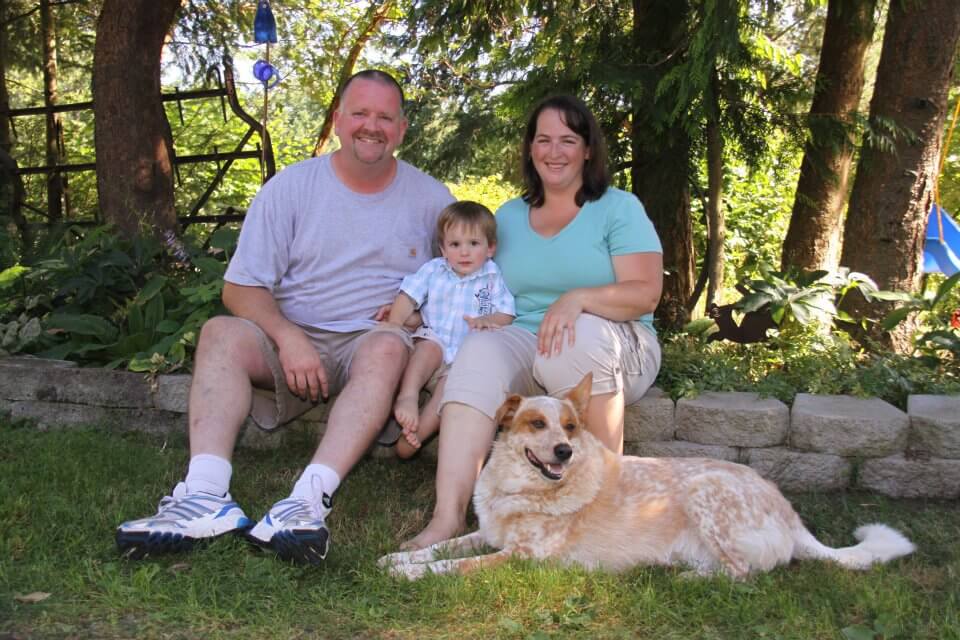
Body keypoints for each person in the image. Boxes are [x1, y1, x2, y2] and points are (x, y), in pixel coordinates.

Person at [115, 70, 455, 564]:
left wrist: (419, 311)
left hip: (373, 343)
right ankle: (206, 495)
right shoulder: (291, 187)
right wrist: (286, 334)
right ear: (338, 119)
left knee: (384, 345)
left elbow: (464, 278)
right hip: (295, 335)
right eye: (359, 113)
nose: (371, 126)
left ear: (402, 129)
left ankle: (304, 503)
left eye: (385, 116)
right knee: (220, 333)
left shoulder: (432, 199)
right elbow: (239, 287)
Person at [403, 95, 664, 551]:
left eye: (568, 139)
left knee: (574, 336)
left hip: (616, 341)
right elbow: (470, 279)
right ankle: (447, 517)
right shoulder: (507, 216)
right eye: (543, 139)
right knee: (479, 351)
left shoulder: (619, 209)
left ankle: (599, 506)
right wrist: (410, 315)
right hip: (527, 336)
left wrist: (578, 299)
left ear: (588, 150)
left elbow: (646, 292)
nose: (554, 150)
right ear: (529, 149)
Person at [383, 201, 515, 458]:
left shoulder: (493, 276)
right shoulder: (434, 270)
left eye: (473, 244)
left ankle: (417, 434)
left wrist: (490, 319)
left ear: (490, 248)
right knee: (427, 350)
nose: (464, 253)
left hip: (464, 355)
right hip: (435, 339)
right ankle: (408, 396)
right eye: (455, 245)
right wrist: (393, 325)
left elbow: (506, 313)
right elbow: (408, 297)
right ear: (443, 249)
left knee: (449, 390)